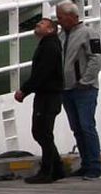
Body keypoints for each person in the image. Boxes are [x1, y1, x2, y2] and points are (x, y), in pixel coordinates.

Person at [14, 17, 66, 183]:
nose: (37, 25)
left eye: (42, 24)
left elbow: (42, 73)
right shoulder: (49, 44)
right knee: (43, 132)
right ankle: (57, 168)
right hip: (48, 95)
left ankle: (47, 171)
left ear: (51, 29)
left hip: (48, 95)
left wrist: (24, 90)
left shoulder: (49, 46)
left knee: (42, 132)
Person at [58, 1, 101, 180]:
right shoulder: (62, 35)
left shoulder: (89, 33)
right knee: (77, 128)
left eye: (61, 17)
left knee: (86, 126)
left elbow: (95, 59)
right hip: (67, 89)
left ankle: (94, 166)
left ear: (71, 16)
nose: (59, 21)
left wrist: (85, 81)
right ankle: (86, 164)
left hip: (84, 89)